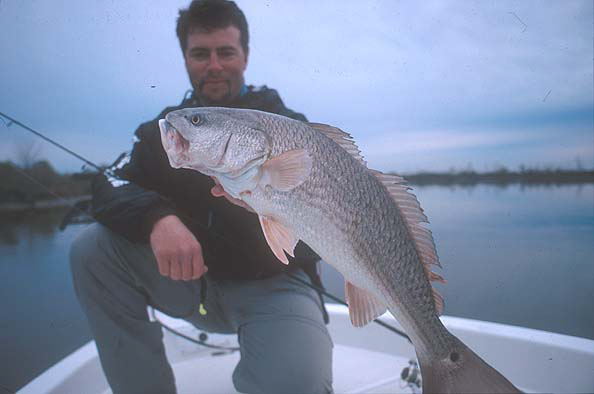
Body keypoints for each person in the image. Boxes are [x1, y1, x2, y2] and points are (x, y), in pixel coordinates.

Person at [69, 1, 333, 393]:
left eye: (225, 52)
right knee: (91, 249)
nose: (214, 65)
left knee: (297, 384)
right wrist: (157, 219)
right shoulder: (172, 128)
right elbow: (109, 181)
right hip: (193, 285)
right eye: (200, 53)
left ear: (245, 55)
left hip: (276, 287)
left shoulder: (291, 130)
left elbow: (331, 214)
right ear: (185, 58)